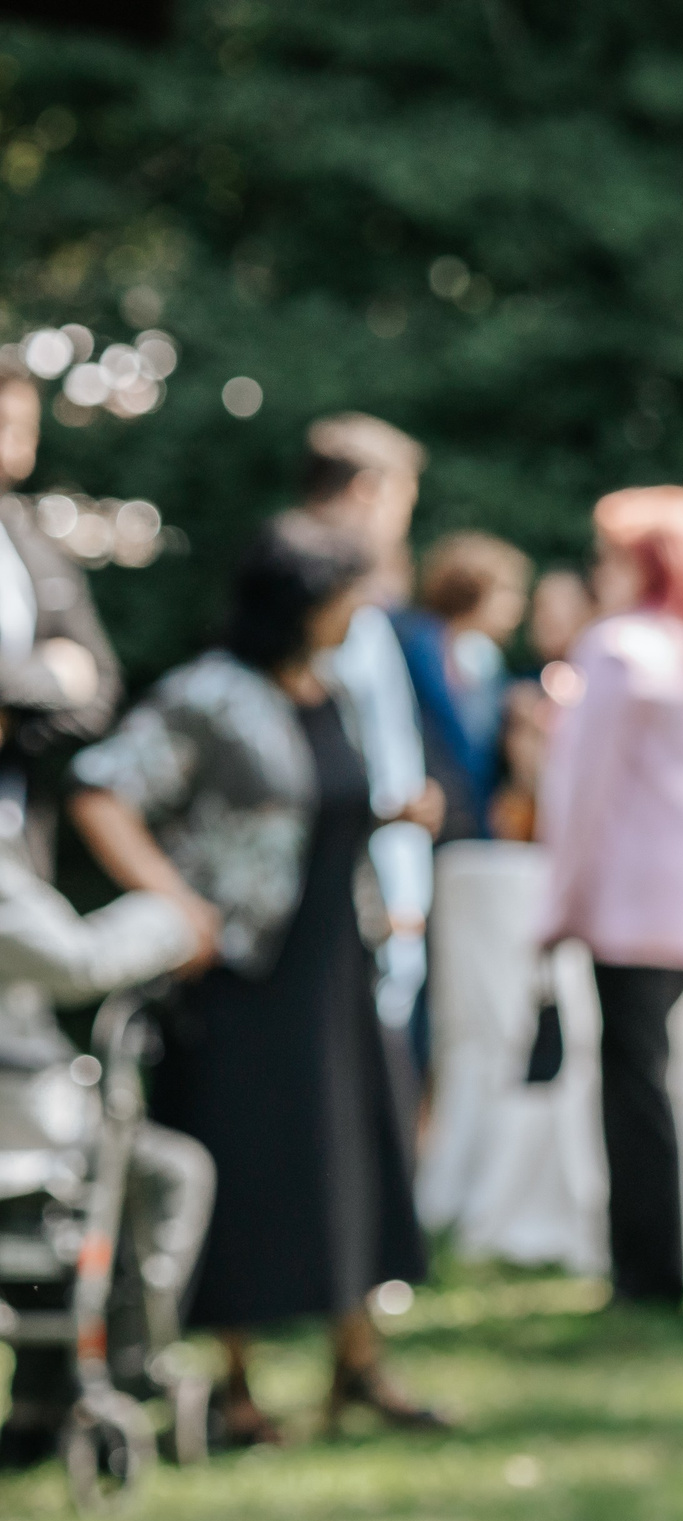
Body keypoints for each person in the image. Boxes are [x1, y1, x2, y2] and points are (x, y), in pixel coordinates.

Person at [67, 515, 446, 1444]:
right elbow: (99, 787)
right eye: (344, 596)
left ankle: (356, 1362)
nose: (358, 611)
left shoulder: (330, 691)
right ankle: (235, 1388)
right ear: (299, 603)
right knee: (246, 1164)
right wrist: (175, 905)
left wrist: (391, 821)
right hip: (244, 973)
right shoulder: (207, 695)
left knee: (356, 1152)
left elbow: (314, 806)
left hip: (336, 959)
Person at [538, 488, 683, 1306]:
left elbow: (578, 798)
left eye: (607, 556)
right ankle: (670, 1266)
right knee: (668, 1080)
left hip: (628, 906)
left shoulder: (620, 649)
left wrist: (555, 907)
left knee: (633, 1087)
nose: (598, 573)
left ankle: (646, 1274)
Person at [0, 712, 218, 1470]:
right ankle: (133, 1363)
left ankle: (37, 1401)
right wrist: (175, 919)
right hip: (21, 1120)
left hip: (23, 1120)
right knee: (165, 1170)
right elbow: (78, 959)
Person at [294, 414, 435, 1037]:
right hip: (347, 884)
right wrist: (394, 891)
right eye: (403, 498)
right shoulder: (318, 597)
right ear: (367, 490)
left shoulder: (356, 598)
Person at [0, 368, 122, 879]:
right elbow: (71, 677)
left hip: (17, 843)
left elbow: (101, 687)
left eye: (21, 428)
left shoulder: (37, 551)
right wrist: (50, 676)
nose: (9, 446)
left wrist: (13, 722)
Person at [396, 530, 530, 841]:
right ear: (474, 589)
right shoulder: (419, 643)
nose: (517, 606)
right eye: (508, 592)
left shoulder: (485, 660)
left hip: (469, 820)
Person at [486, 570, 595, 843]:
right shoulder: (519, 684)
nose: (548, 619)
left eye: (559, 608)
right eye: (541, 609)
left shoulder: (600, 678)